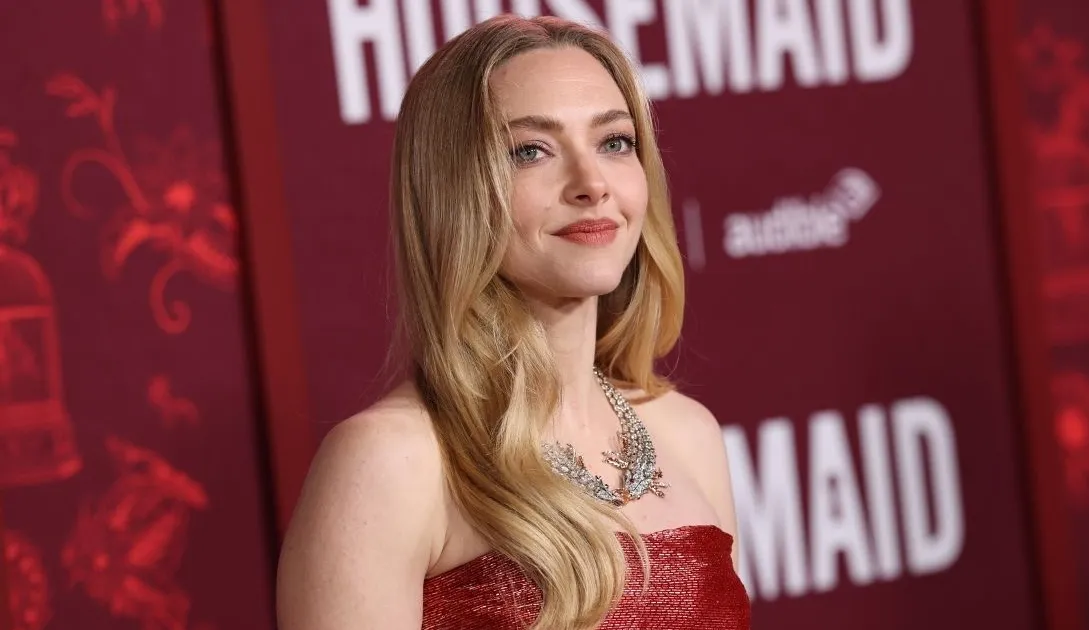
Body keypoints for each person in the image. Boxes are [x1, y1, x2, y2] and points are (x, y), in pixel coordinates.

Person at [276, 14, 749, 630]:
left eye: (614, 142)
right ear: (454, 191)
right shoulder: (389, 463)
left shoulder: (687, 433)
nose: (592, 184)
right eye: (531, 151)